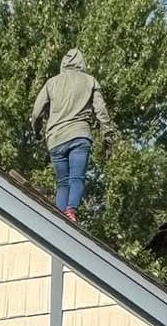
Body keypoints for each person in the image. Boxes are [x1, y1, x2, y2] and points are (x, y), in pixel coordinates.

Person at [30, 50, 116, 221]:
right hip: (79, 135)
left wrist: (36, 131)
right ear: (82, 63)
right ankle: (70, 212)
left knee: (62, 182)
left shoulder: (51, 83)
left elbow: (36, 111)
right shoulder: (90, 81)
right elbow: (101, 110)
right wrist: (108, 134)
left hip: (55, 138)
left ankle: (60, 219)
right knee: (77, 177)